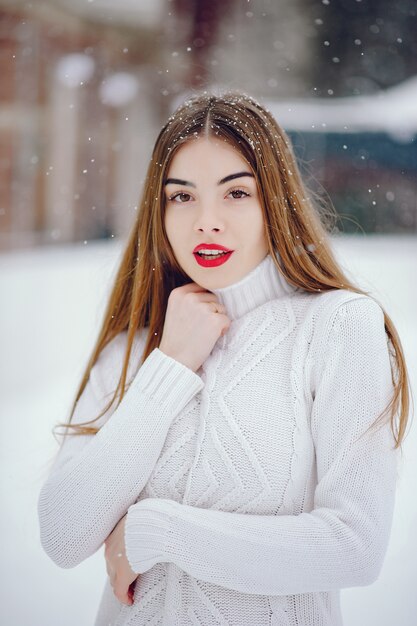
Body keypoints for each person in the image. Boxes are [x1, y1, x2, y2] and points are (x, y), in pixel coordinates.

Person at [38, 90, 411, 626]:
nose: (206, 222)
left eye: (236, 193)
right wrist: (168, 368)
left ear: (274, 202)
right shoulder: (135, 350)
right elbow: (62, 533)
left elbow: (353, 545)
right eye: (182, 196)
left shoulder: (337, 327)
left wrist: (157, 532)